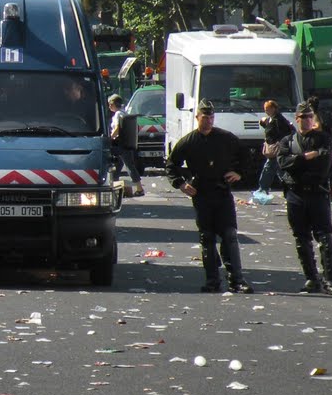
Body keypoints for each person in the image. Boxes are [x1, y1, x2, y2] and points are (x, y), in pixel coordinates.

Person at [165, 99, 253, 293]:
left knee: (229, 235)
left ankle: (236, 280)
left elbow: (246, 155)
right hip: (202, 194)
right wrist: (181, 184)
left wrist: (239, 173)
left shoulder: (225, 138)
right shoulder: (188, 142)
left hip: (222, 192)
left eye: (211, 117)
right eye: (205, 118)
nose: (209, 121)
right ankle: (213, 280)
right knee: (207, 237)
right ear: (197, 118)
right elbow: (171, 165)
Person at [277, 101, 332, 294]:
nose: (307, 120)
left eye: (309, 117)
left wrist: (302, 163)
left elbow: (323, 162)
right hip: (296, 194)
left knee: (325, 237)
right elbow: (283, 162)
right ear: (296, 119)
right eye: (303, 117)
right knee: (301, 238)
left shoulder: (322, 139)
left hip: (317, 192)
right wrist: (305, 158)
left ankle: (330, 279)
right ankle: (312, 278)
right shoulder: (287, 141)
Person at [108, 94, 144, 196]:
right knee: (118, 166)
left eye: (110, 104)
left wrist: (110, 137)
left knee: (129, 166)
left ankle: (140, 189)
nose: (109, 107)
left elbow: (118, 128)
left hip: (120, 144)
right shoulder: (124, 112)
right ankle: (113, 187)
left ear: (113, 104)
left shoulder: (118, 114)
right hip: (125, 143)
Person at [257, 100, 293, 194]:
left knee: (270, 168)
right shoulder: (272, 119)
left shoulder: (278, 120)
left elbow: (278, 132)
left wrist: (279, 142)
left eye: (267, 109)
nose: (266, 111)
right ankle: (288, 187)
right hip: (275, 147)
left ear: (273, 109)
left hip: (277, 148)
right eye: (265, 109)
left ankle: (263, 188)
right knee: (276, 169)